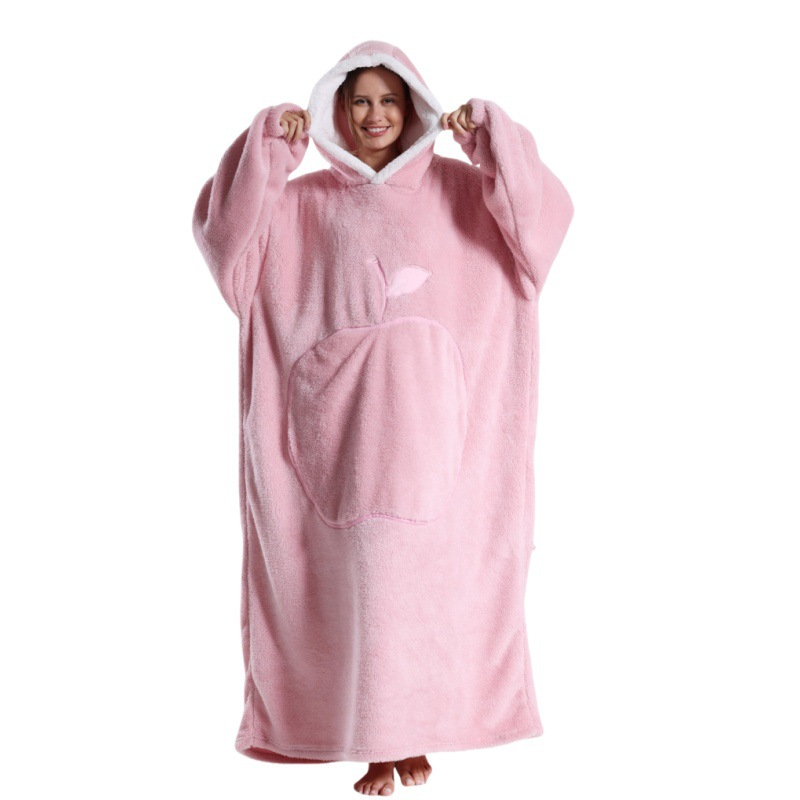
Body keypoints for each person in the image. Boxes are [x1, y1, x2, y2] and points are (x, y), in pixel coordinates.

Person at [192, 40, 573, 798]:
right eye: (360, 100)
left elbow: (542, 227)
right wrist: (268, 151)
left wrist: (491, 141)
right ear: (338, 108)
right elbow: (227, 244)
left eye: (390, 100)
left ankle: (414, 730)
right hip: (337, 438)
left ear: (413, 108)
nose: (375, 115)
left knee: (426, 579)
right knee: (356, 581)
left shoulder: (462, 192)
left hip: (436, 435)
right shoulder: (303, 203)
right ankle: (373, 741)